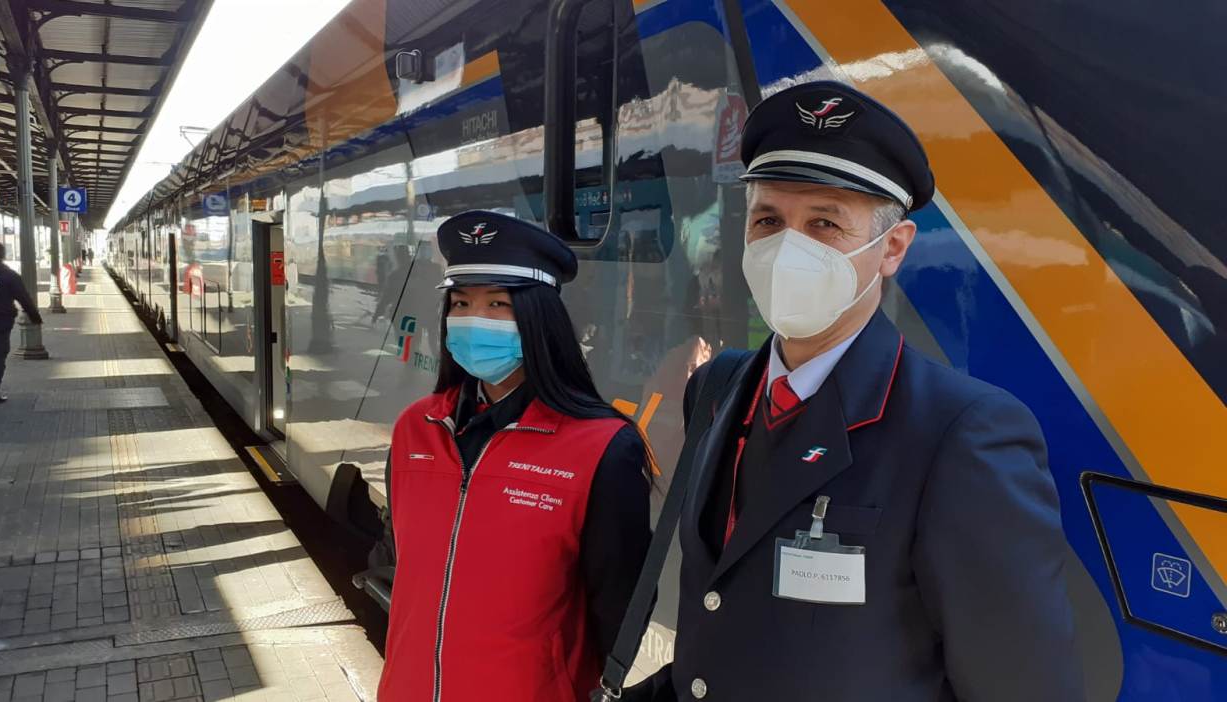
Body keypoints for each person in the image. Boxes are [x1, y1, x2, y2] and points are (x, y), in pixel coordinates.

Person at [626, 81, 1084, 701]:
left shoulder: (962, 435)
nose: (787, 246)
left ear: (891, 248)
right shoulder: (716, 388)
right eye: (768, 220)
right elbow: (714, 632)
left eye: (824, 222)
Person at [377, 210, 652, 701]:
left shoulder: (601, 447)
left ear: (537, 318)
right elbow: (402, 564)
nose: (473, 319)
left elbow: (617, 608)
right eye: (460, 303)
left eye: (499, 304)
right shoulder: (415, 429)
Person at [0, 242, 43, 404]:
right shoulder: (9, 275)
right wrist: (35, 317)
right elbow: (24, 298)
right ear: (2, 255)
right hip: (1, 323)